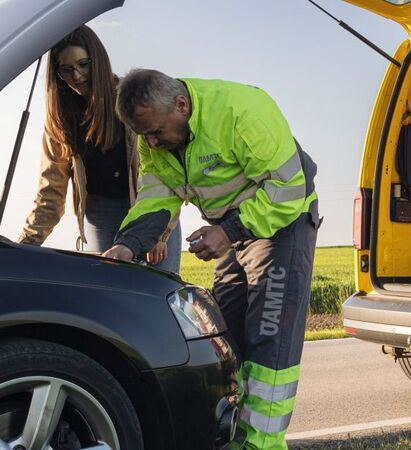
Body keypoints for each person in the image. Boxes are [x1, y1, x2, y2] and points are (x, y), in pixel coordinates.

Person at [104, 69, 319, 450]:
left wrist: (229, 232)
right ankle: (231, 438)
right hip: (233, 229)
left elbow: (289, 188)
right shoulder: (152, 138)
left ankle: (261, 445)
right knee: (223, 339)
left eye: (155, 131)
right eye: (144, 135)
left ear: (181, 105)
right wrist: (128, 245)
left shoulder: (243, 110)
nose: (151, 141)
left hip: (283, 223)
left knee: (268, 341)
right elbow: (157, 196)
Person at [17, 26, 180, 272]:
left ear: (98, 60)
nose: (77, 75)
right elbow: (50, 191)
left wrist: (161, 232)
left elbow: (166, 171)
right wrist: (25, 246)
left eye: (84, 64)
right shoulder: (59, 121)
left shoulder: (132, 98)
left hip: (148, 207)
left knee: (159, 291)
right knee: (111, 290)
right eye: (66, 70)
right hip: (100, 216)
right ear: (56, 73)